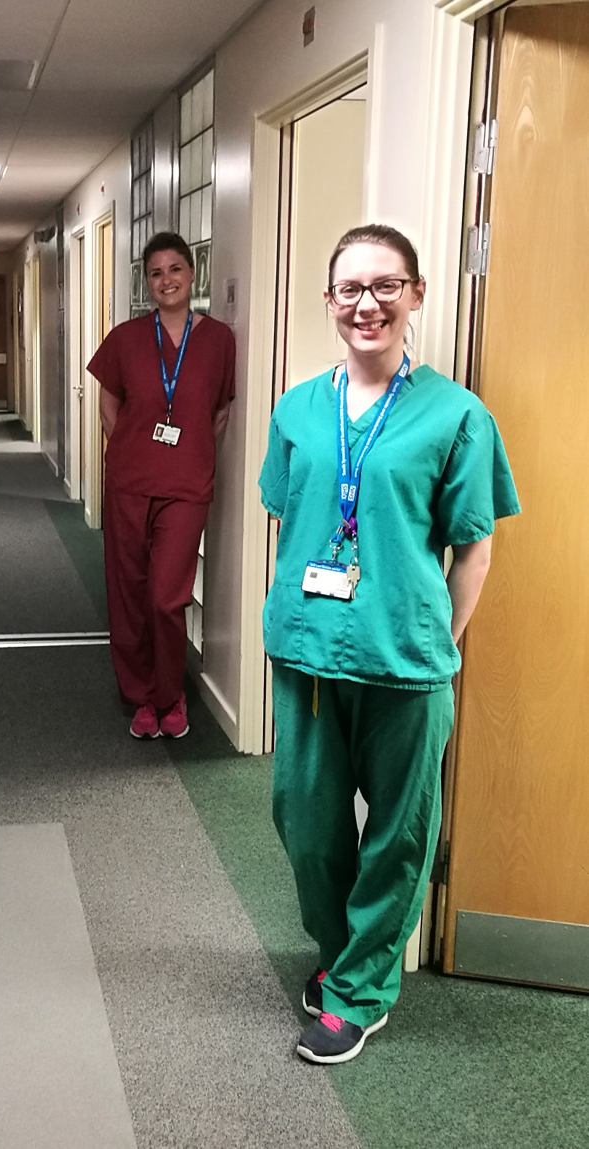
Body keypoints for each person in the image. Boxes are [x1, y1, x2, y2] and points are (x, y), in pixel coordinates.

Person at [259, 224, 520, 1064]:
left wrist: (435, 642)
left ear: (415, 294)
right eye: (350, 288)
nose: (365, 303)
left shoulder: (457, 415)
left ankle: (360, 990)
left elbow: (474, 548)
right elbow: (290, 515)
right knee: (306, 823)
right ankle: (343, 952)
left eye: (384, 285)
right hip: (308, 653)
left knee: (399, 834)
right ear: (329, 300)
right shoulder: (298, 409)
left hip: (406, 663)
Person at [88, 232, 236, 739]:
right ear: (146, 282)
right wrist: (132, 450)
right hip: (129, 483)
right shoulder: (126, 338)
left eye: (175, 269)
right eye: (156, 273)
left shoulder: (219, 340)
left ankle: (170, 695)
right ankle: (141, 696)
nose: (166, 280)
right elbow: (108, 405)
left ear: (192, 274)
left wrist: (185, 451)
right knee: (128, 591)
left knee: (165, 597)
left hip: (186, 486)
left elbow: (219, 412)